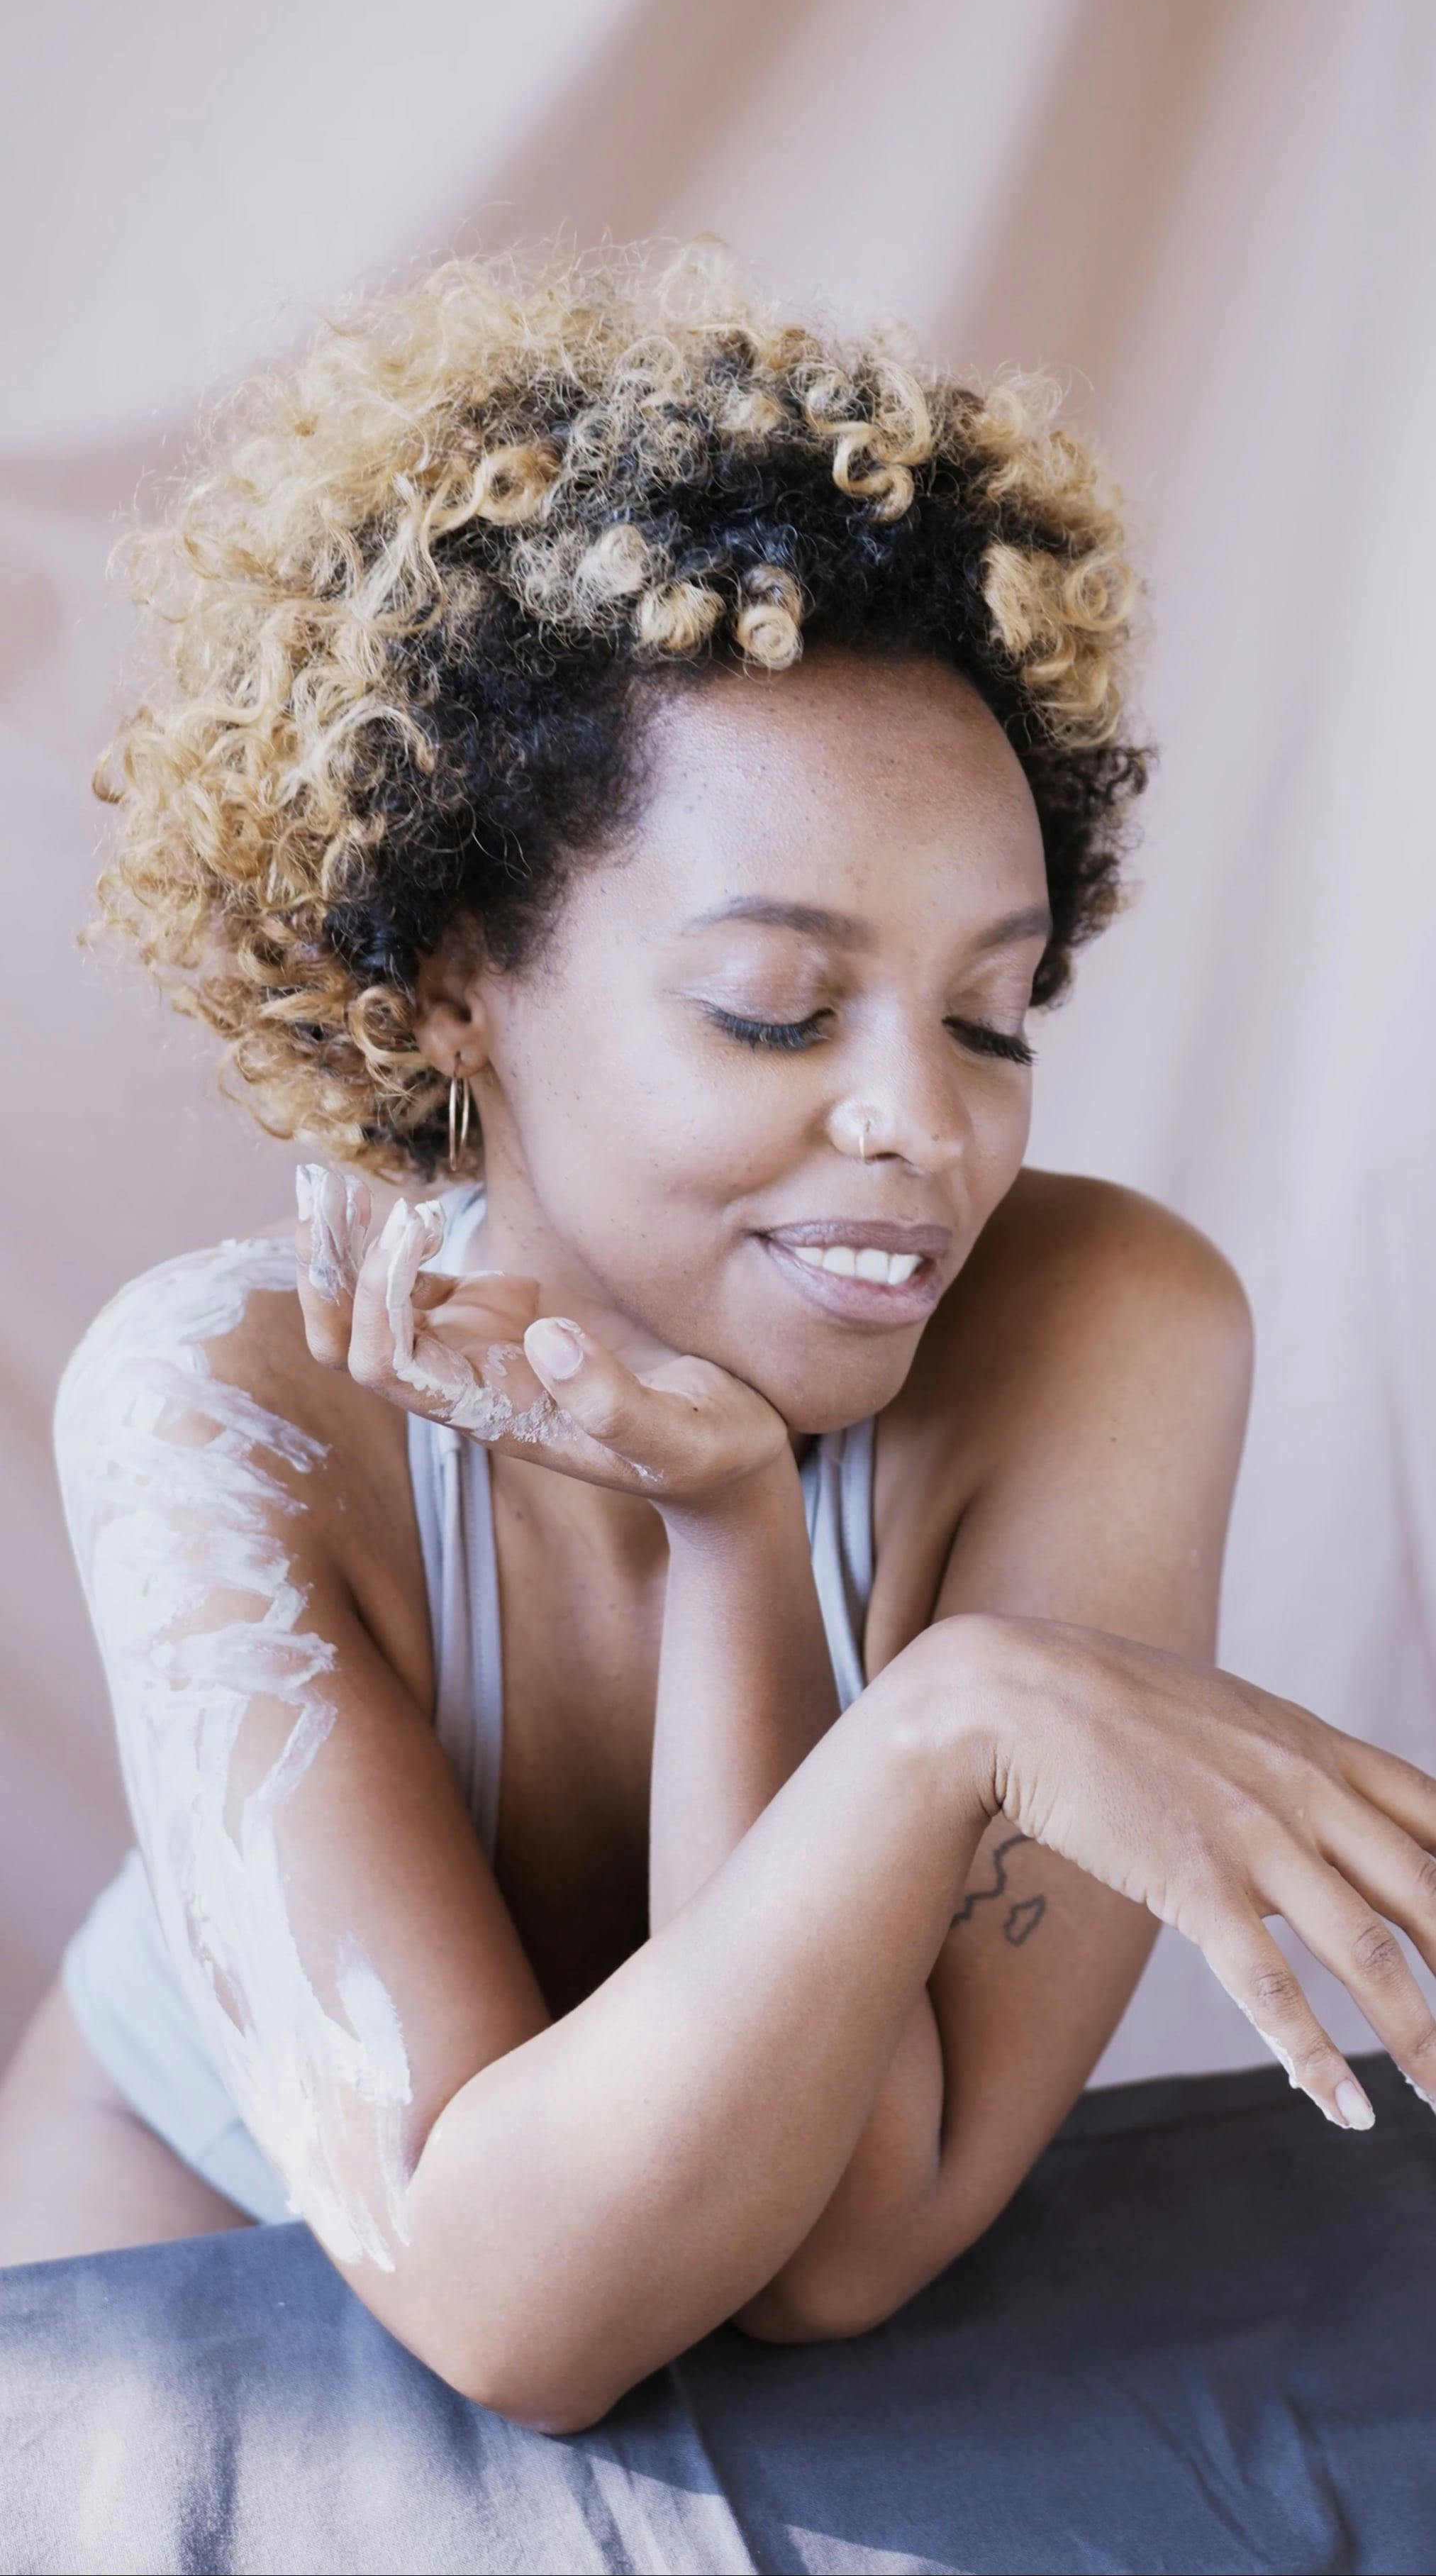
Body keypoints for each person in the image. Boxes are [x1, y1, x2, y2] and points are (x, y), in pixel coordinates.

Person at [1, 247, 1432, 2436]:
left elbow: (846, 2252)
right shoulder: (222, 1408)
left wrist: (742, 1540)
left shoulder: (1106, 1330)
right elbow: (515, 2313)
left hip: (726, 2328)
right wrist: (948, 1717)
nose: (924, 1123)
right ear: (454, 979)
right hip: (199, 2300)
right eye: (776, 1007)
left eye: (990, 1013)